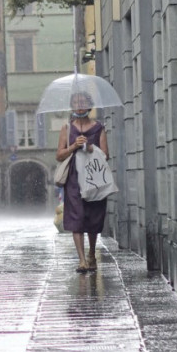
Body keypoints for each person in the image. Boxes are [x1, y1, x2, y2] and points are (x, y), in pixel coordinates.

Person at [57, 91, 110, 272]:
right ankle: (82, 260)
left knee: (93, 217)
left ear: (89, 106)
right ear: (72, 107)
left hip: (94, 178)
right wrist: (73, 146)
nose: (79, 105)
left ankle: (92, 253)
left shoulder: (99, 127)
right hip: (73, 178)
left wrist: (89, 147)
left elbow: (106, 155)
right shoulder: (67, 128)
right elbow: (59, 155)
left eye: (83, 102)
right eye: (76, 102)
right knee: (76, 217)